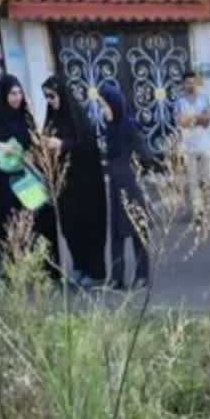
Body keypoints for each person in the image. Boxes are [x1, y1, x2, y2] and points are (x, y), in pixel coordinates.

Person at [0, 74, 59, 277]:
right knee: (13, 224)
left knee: (38, 221)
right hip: (5, 185)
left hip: (27, 180)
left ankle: (41, 267)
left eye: (19, 93)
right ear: (4, 95)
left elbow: (34, 143)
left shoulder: (26, 117)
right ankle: (17, 270)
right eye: (12, 93)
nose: (17, 97)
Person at [41, 75, 107, 286]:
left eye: (51, 96)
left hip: (85, 186)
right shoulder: (51, 119)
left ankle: (93, 271)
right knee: (70, 228)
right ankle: (79, 267)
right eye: (46, 97)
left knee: (87, 226)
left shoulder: (80, 119)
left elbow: (86, 146)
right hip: (64, 186)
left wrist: (62, 144)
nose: (49, 101)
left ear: (61, 94)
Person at [98, 81, 149, 289]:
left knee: (137, 230)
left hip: (130, 183)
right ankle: (117, 278)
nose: (103, 110)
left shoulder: (129, 125)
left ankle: (142, 275)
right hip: (115, 184)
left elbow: (145, 153)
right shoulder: (110, 126)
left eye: (105, 105)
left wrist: (135, 169)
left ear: (115, 104)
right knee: (117, 233)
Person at [177, 70, 210, 225]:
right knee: (192, 180)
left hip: (204, 145)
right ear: (183, 84)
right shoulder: (180, 102)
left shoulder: (203, 98)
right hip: (188, 146)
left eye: (193, 82)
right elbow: (180, 122)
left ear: (196, 83)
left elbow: (207, 120)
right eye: (187, 82)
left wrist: (191, 119)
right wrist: (197, 118)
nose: (190, 85)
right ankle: (198, 213)